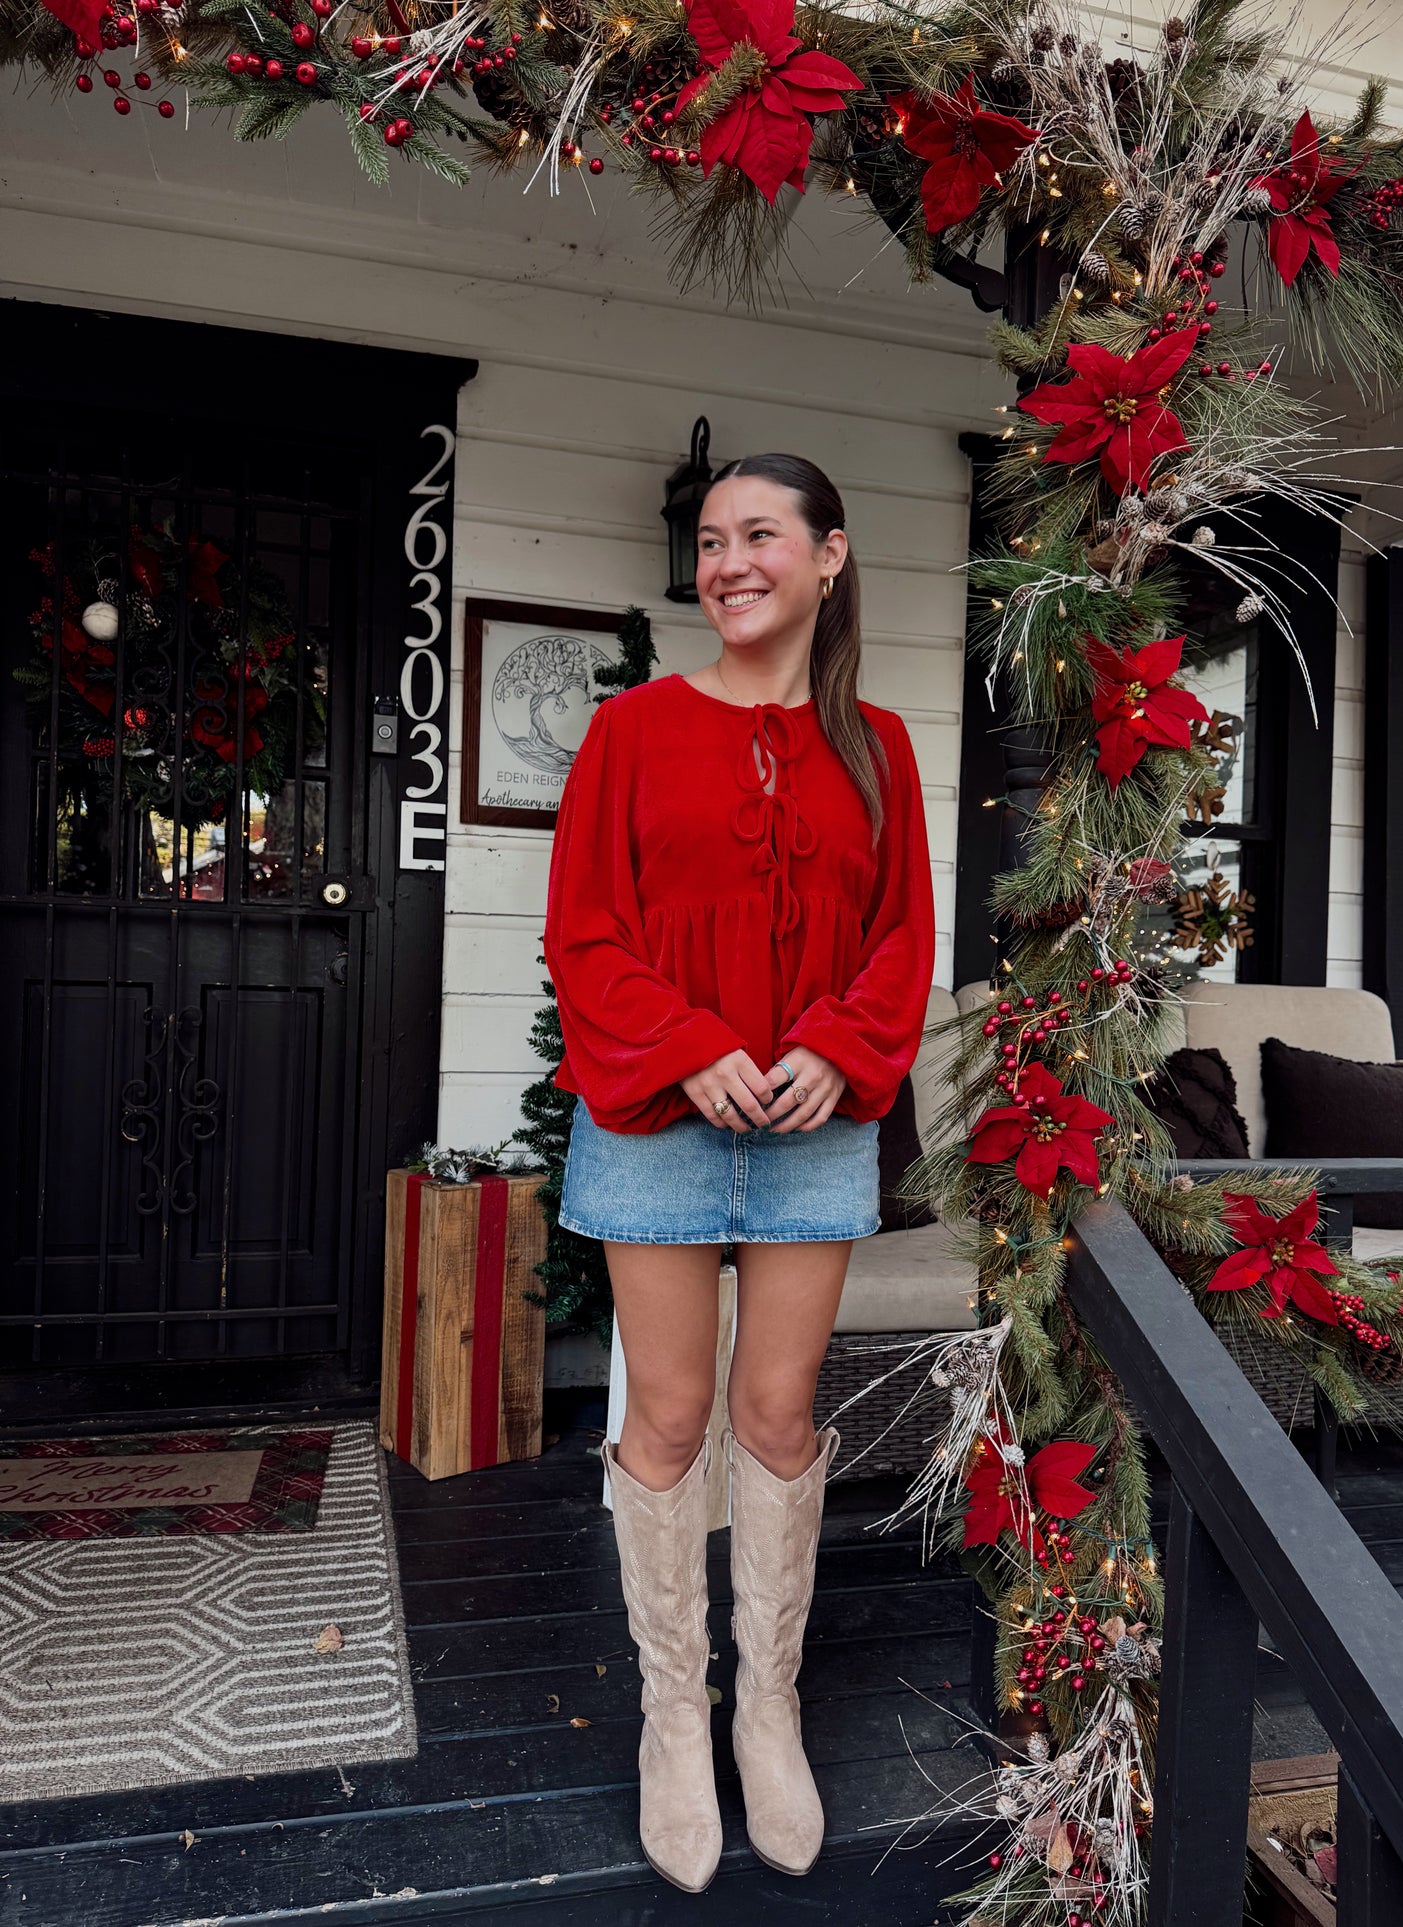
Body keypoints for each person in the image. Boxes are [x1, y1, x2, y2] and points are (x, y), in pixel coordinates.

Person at [542, 452, 935, 1892]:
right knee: (664, 1420)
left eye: (758, 535)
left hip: (816, 1133)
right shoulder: (633, 732)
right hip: (656, 1121)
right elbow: (583, 929)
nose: (728, 562)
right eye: (711, 542)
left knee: (774, 1421)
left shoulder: (880, 745)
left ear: (829, 556)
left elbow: (902, 938)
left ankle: (763, 1706)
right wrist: (690, 1040)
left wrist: (838, 1047)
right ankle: (671, 1716)